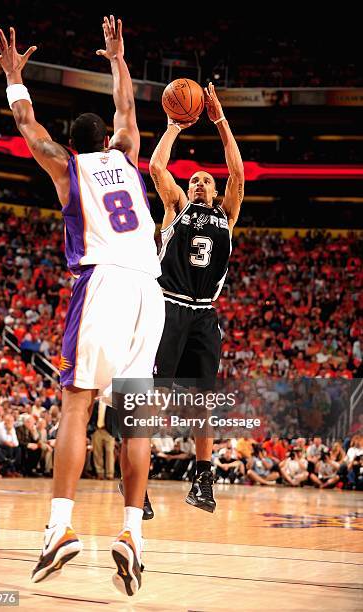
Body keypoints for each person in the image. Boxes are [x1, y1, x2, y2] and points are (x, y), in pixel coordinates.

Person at [0, 16, 165, 596]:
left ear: (74, 142)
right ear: (109, 141)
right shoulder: (130, 158)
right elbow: (128, 111)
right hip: (151, 289)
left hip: (107, 282)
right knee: (135, 415)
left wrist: (16, 76)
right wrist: (117, 59)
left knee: (76, 404)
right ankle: (132, 533)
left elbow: (25, 123)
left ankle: (60, 530)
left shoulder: (68, 167)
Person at [148, 81, 244, 512]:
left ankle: (203, 481)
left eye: (207, 180)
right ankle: (137, 481)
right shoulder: (176, 208)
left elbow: (237, 173)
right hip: (167, 306)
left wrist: (220, 121)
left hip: (204, 315)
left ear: (217, 191)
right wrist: (173, 127)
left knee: (199, 402)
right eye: (195, 180)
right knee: (150, 399)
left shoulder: (227, 216)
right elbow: (156, 168)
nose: (201, 183)